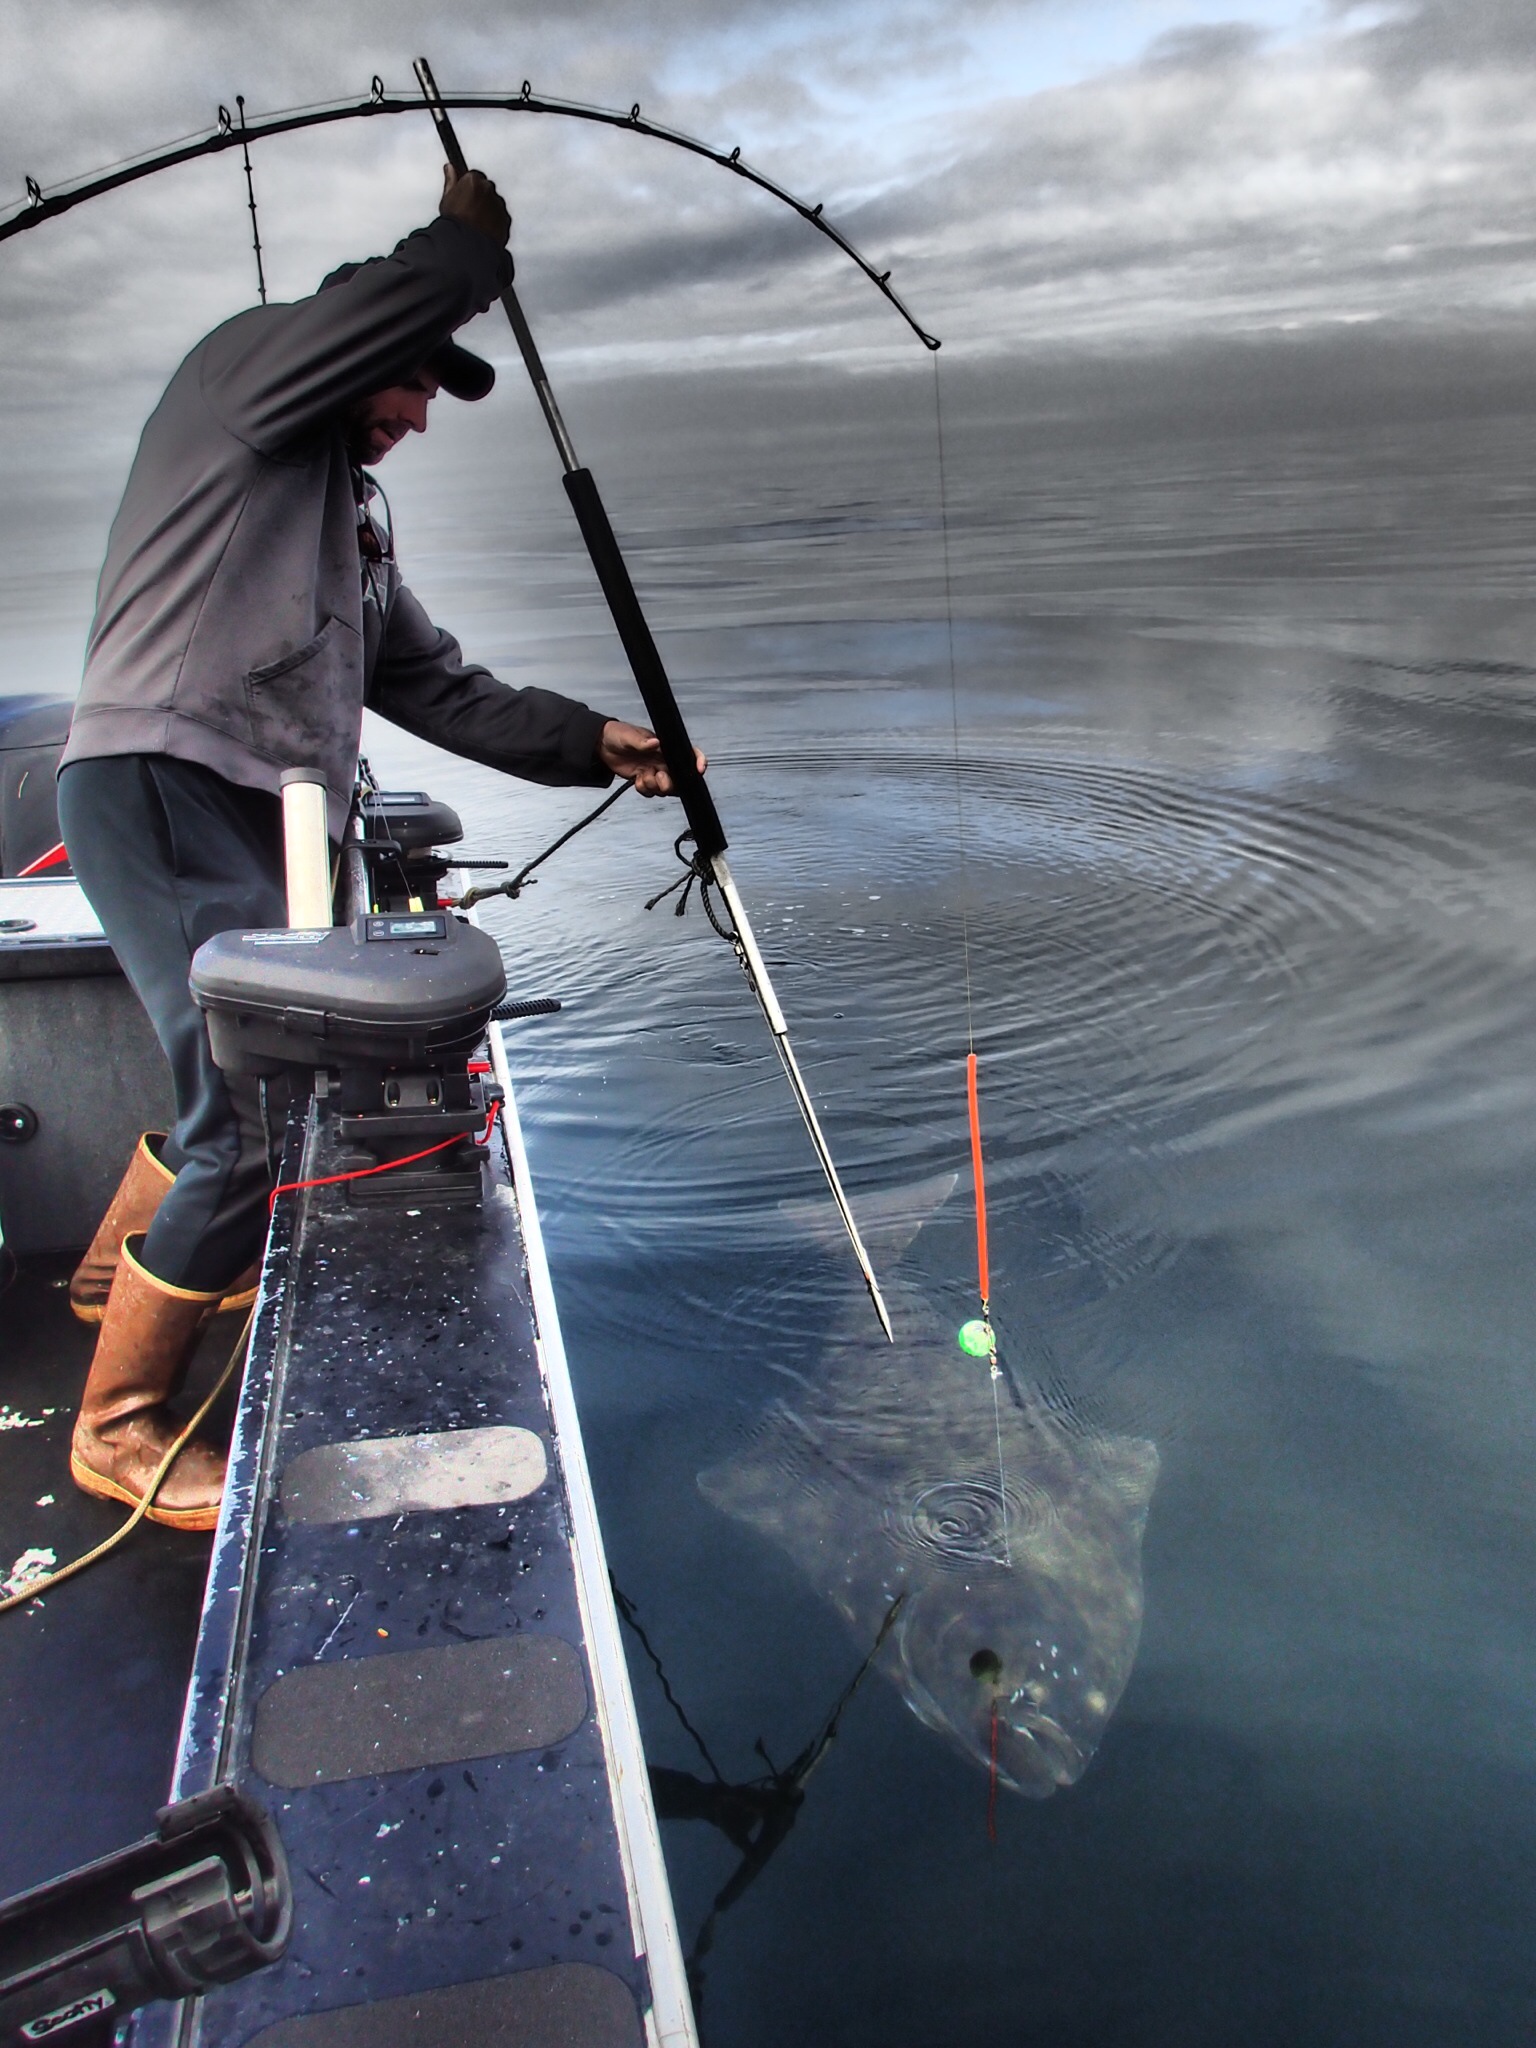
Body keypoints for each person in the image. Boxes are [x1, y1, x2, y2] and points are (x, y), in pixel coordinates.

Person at [54, 166, 698, 1533]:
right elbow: (406, 291)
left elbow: (444, 688)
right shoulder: (246, 379)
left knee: (235, 1072)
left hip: (255, 804)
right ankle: (115, 1431)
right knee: (257, 1102)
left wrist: (598, 743)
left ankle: (119, 1277)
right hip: (163, 781)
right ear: (354, 346)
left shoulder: (349, 518)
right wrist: (470, 244)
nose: (415, 413)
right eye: (408, 379)